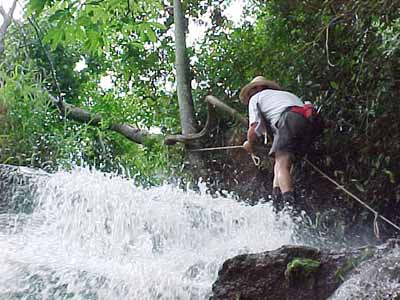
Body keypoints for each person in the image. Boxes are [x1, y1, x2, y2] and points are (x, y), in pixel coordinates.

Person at [240, 76, 314, 206]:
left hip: (289, 119)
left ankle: (290, 205)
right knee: (280, 161)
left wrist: (249, 144)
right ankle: (277, 197)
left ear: (256, 89)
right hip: (309, 124)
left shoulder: (256, 98)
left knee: (282, 164)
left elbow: (253, 128)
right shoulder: (284, 96)